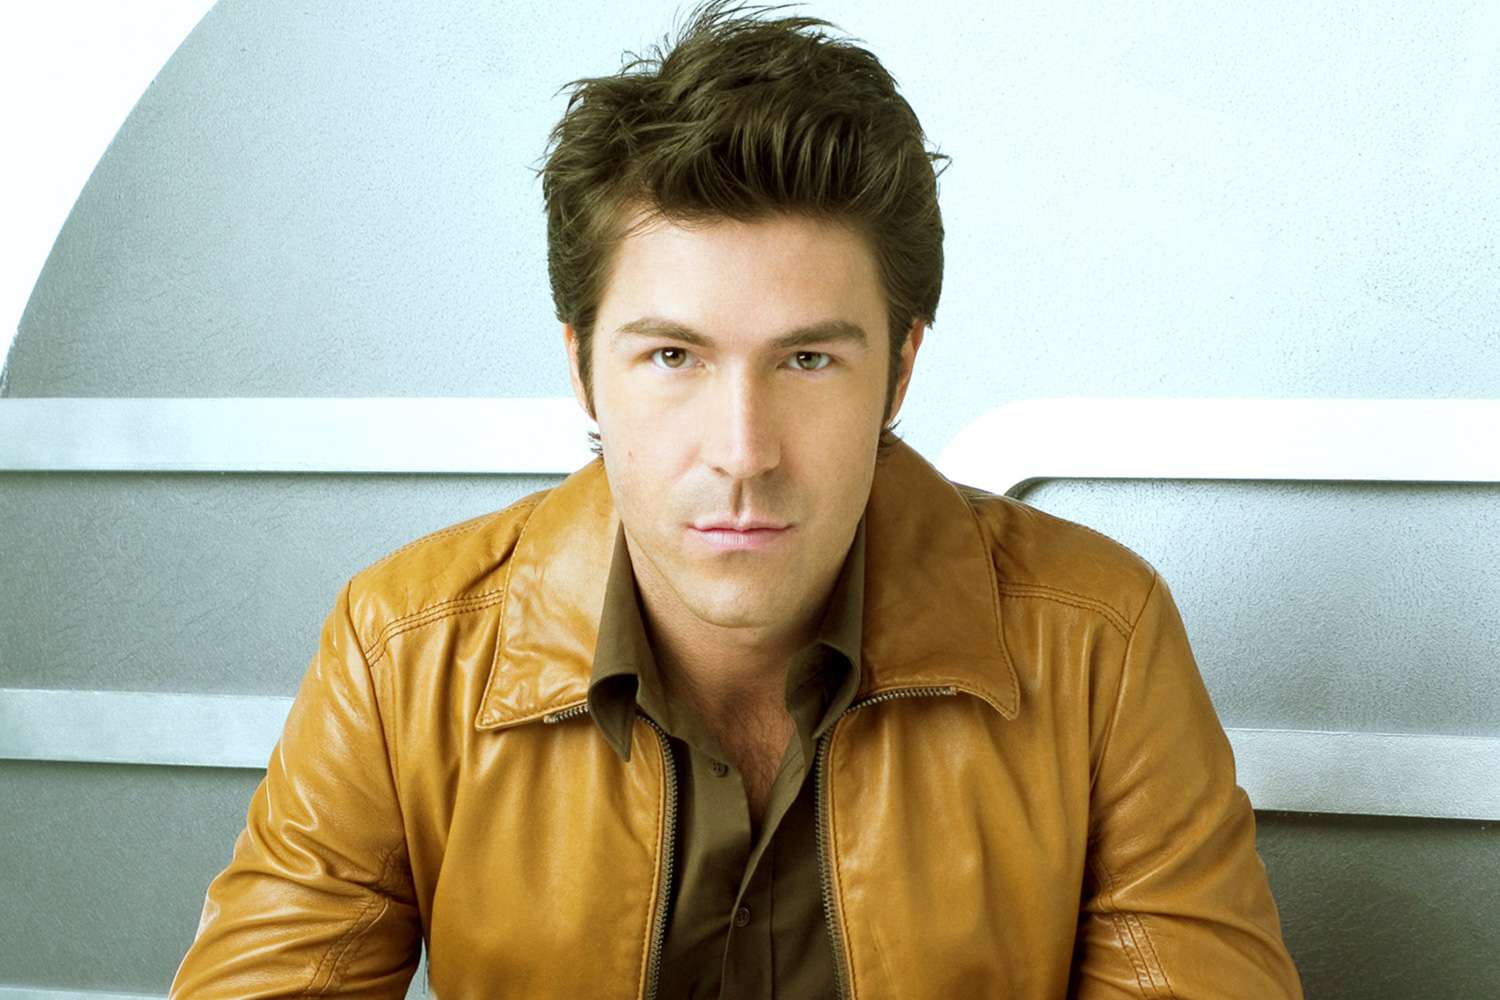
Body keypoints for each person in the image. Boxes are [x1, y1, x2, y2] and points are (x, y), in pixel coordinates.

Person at [171, 2, 1303, 996]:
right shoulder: (404, 649)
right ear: (583, 370)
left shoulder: (1098, 640)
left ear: (900, 370)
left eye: (808, 360)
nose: (743, 451)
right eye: (673, 357)